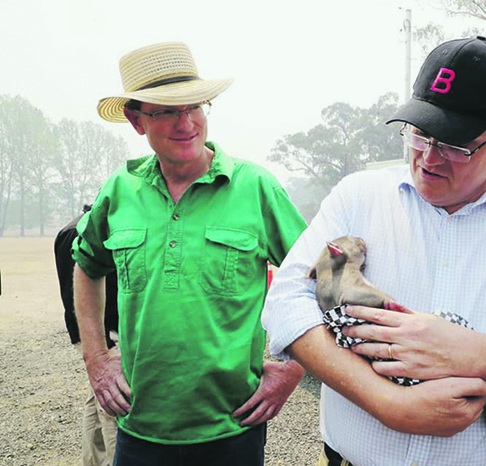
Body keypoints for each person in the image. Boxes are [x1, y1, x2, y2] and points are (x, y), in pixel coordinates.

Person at [262, 37, 486, 465]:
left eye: (455, 144)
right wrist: (388, 403)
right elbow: (286, 302)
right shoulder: (360, 197)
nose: (429, 157)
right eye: (420, 133)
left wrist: (469, 351)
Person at [72, 42, 307, 465]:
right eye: (166, 110)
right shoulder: (119, 192)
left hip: (233, 429)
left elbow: (319, 279)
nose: (186, 123)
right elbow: (86, 266)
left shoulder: (255, 188)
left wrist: (292, 367)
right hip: (139, 428)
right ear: (136, 120)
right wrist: (96, 359)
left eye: (195, 105)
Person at [55, 204, 119, 466]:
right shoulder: (91, 230)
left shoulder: (67, 228)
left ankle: (93, 461)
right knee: (116, 408)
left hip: (85, 328)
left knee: (97, 400)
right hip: (106, 333)